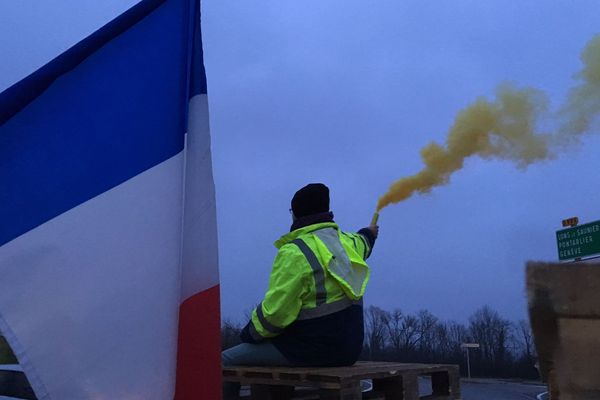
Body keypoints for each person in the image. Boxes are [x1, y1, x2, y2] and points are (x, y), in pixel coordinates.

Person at [222, 183, 378, 387]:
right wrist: (370, 233)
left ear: (295, 214)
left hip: (310, 349)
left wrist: (249, 335)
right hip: (349, 349)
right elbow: (364, 242)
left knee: (223, 361)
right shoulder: (348, 243)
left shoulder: (295, 252)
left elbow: (275, 317)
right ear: (326, 211)